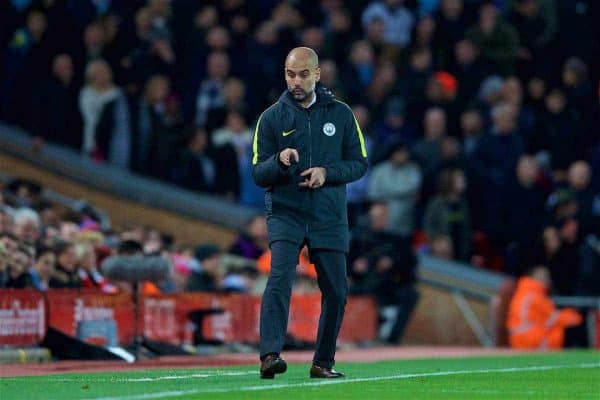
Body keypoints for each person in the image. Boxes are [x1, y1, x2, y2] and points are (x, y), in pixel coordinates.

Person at [252, 47, 368, 379]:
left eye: (304, 74)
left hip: (328, 215)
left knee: (336, 290)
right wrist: (279, 161)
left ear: (317, 74)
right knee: (280, 277)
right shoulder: (272, 117)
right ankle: (270, 355)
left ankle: (322, 363)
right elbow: (258, 172)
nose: (297, 81)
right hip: (286, 211)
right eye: (290, 74)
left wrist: (326, 174)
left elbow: (359, 163)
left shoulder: (342, 114)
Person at [507, 265, 582, 349]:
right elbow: (555, 318)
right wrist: (576, 316)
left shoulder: (526, 292)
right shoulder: (533, 295)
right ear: (533, 276)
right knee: (561, 330)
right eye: (543, 276)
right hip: (528, 339)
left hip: (521, 338)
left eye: (547, 276)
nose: (547, 279)